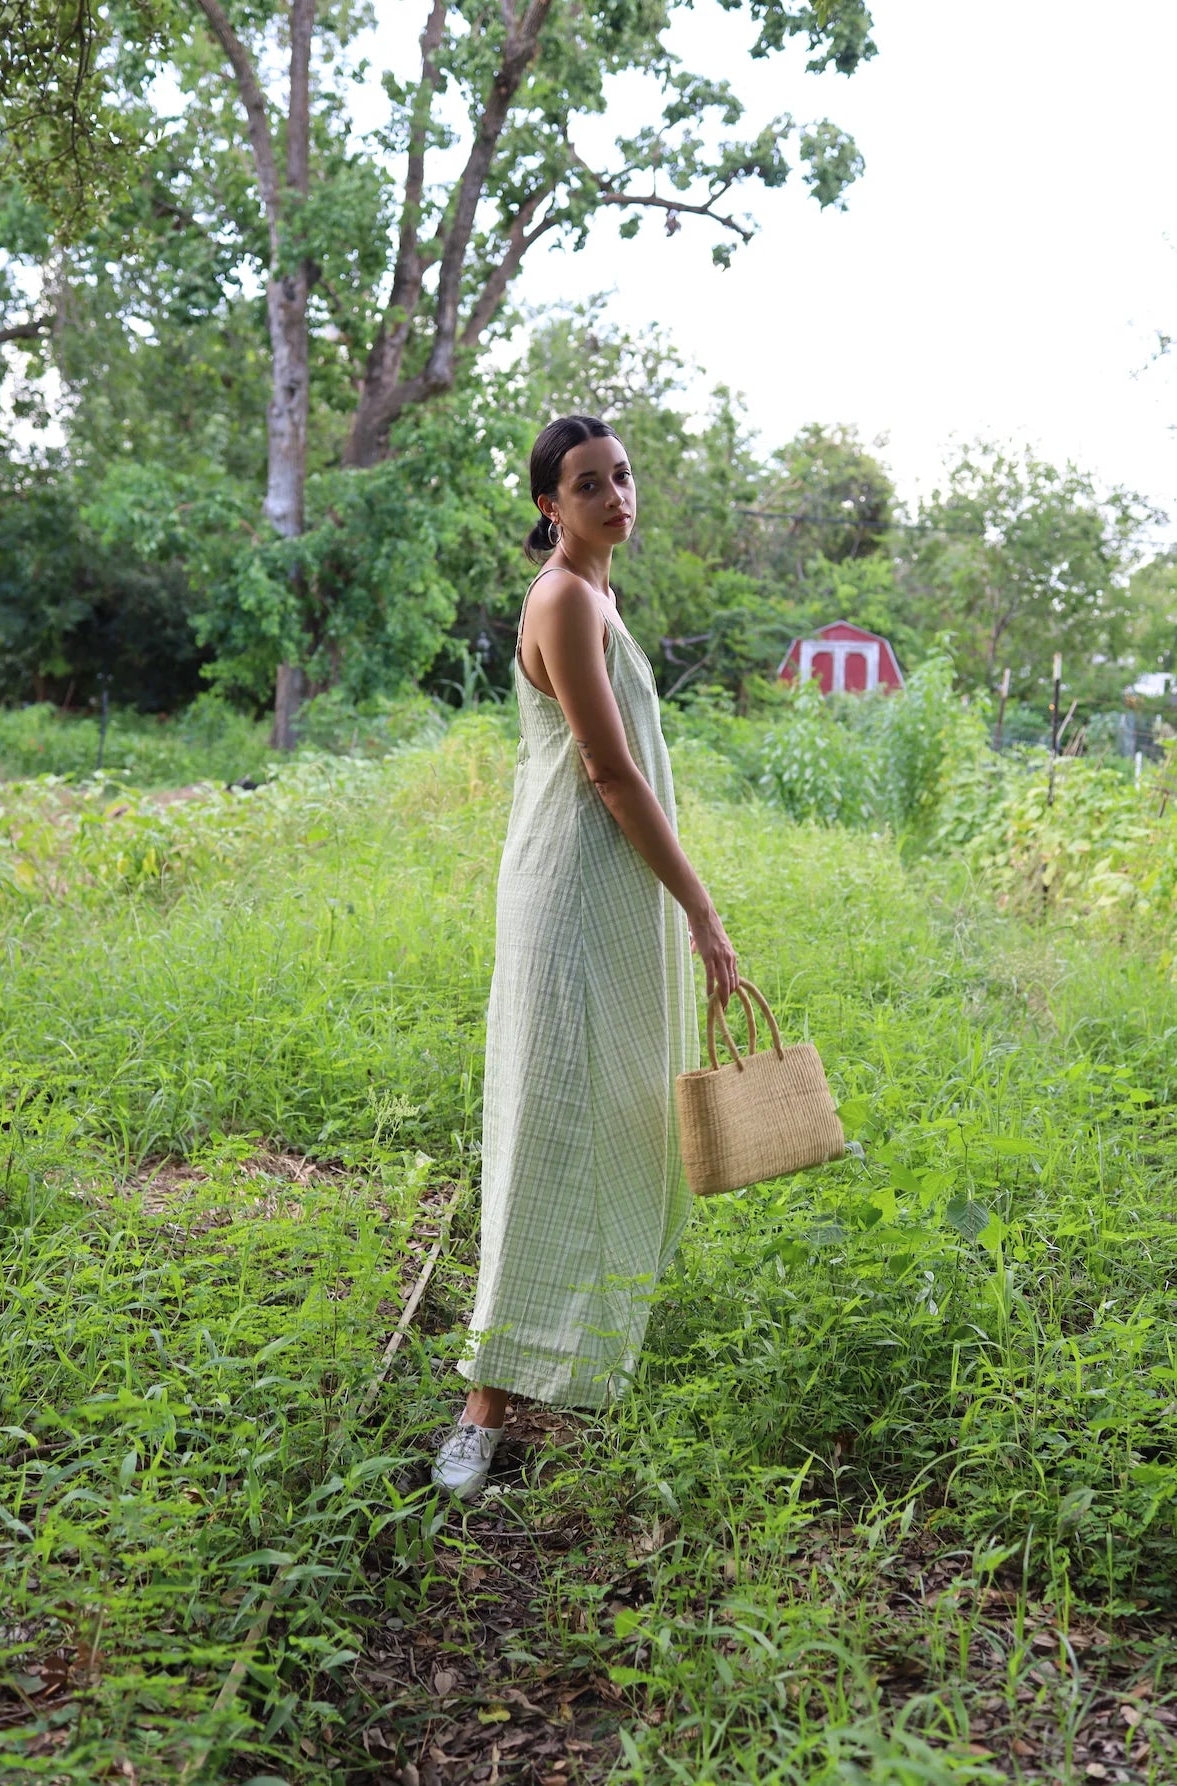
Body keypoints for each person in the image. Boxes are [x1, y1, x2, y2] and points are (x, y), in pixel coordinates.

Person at [431, 414, 739, 1499]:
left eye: (621, 476)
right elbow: (609, 774)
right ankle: (480, 1404)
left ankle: (574, 1356)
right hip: (570, 891)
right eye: (586, 484)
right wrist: (704, 912)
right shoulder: (562, 597)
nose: (614, 495)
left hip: (613, 890)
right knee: (552, 1118)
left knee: (620, 1108)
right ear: (548, 507)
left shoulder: (599, 595)